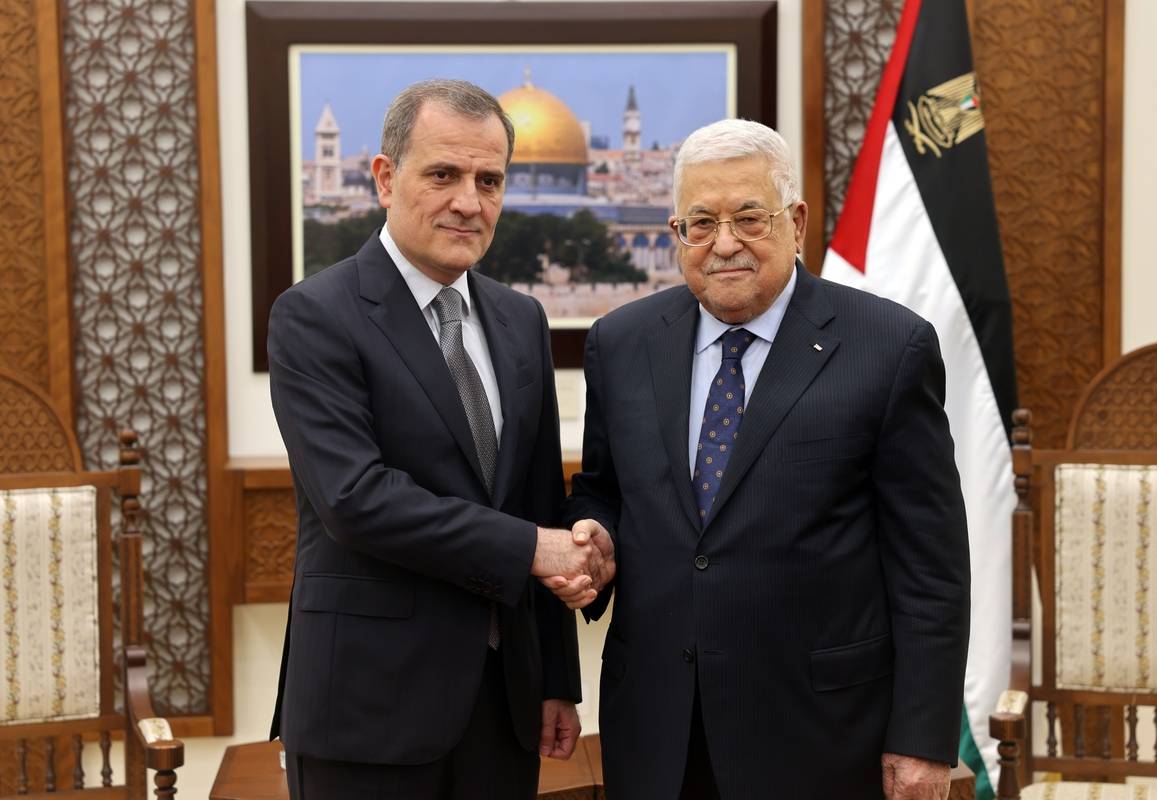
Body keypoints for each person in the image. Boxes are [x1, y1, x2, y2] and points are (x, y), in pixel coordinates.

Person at [563, 118, 971, 800]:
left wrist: (922, 738)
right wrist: (596, 532)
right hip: (659, 731)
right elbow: (604, 489)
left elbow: (930, 565)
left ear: (797, 221)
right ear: (675, 233)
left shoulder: (887, 348)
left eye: (750, 217)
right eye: (700, 223)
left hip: (820, 733)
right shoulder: (621, 343)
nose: (725, 243)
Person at [267, 79, 610, 799]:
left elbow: (538, 496)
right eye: (444, 174)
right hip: (366, 708)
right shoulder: (315, 315)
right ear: (386, 178)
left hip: (502, 707)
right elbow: (356, 499)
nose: (469, 201)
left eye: (490, 180)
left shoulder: (520, 321)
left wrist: (555, 679)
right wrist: (533, 549)